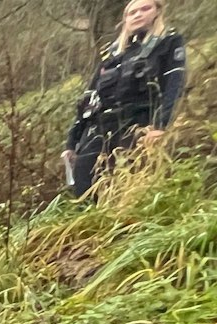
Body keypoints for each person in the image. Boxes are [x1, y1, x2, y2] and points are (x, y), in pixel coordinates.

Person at [63, 0, 187, 198]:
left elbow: (174, 86)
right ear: (125, 20)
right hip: (100, 128)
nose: (138, 15)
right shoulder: (112, 53)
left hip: (138, 124)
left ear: (157, 12)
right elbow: (89, 97)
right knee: (84, 185)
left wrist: (159, 126)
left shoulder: (169, 42)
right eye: (132, 12)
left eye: (145, 9)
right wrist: (71, 142)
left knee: (126, 187)